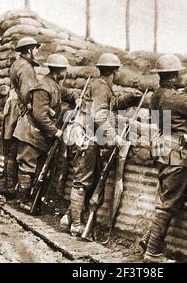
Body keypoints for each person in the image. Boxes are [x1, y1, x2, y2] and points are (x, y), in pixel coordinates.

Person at [143, 54, 187, 262]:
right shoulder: (174, 98)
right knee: (168, 204)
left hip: (164, 152)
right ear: (173, 76)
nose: (180, 78)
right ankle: (153, 252)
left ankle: (148, 241)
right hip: (177, 155)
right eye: (178, 75)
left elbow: (178, 102)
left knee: (165, 199)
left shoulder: (158, 95)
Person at [63, 53, 141, 237]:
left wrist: (129, 99)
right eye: (117, 70)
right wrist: (114, 137)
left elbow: (109, 105)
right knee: (82, 183)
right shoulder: (101, 87)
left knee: (88, 182)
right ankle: (75, 225)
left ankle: (68, 217)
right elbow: (99, 115)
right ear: (114, 71)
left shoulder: (102, 86)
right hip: (87, 139)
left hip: (90, 138)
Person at [13, 53, 78, 209]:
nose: (66, 73)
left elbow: (67, 93)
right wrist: (56, 131)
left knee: (38, 168)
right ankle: (23, 201)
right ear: (58, 70)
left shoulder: (53, 84)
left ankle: (30, 200)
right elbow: (40, 115)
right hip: (31, 133)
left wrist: (77, 98)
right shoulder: (43, 87)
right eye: (64, 70)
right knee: (27, 167)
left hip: (39, 135)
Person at [0, 37, 40, 196]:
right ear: (29, 50)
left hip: (12, 108)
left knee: (11, 149)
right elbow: (27, 92)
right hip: (19, 110)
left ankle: (10, 187)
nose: (36, 51)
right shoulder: (26, 67)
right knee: (17, 148)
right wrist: (33, 107)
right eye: (35, 48)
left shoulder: (18, 64)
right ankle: (13, 190)